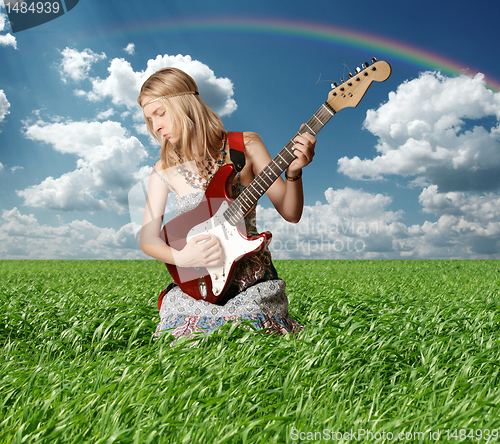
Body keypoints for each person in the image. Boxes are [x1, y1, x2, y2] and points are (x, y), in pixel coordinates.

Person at [138, 67, 316, 342]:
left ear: (184, 104)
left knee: (250, 337)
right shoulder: (163, 169)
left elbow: (291, 213)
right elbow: (148, 238)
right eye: (149, 120)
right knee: (185, 342)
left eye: (160, 113)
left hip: (252, 282)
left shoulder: (245, 146)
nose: (155, 126)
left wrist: (293, 172)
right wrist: (183, 258)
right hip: (198, 285)